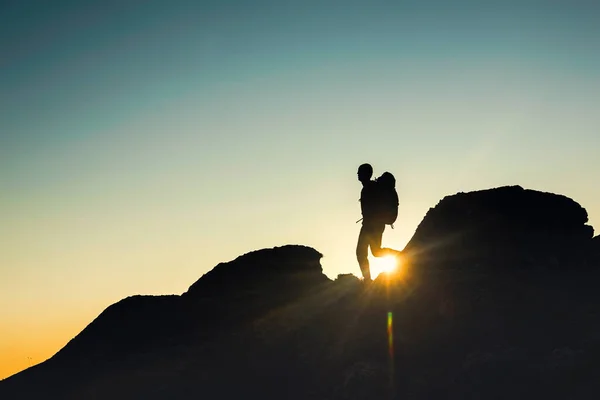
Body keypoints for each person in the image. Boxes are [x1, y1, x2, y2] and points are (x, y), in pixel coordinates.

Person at [356, 163, 401, 282]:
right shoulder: (370, 187)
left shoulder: (370, 187)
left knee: (361, 253)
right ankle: (400, 255)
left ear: (366, 174)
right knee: (376, 252)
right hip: (374, 225)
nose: (357, 174)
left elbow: (373, 208)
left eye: (360, 172)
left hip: (371, 226)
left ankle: (367, 280)